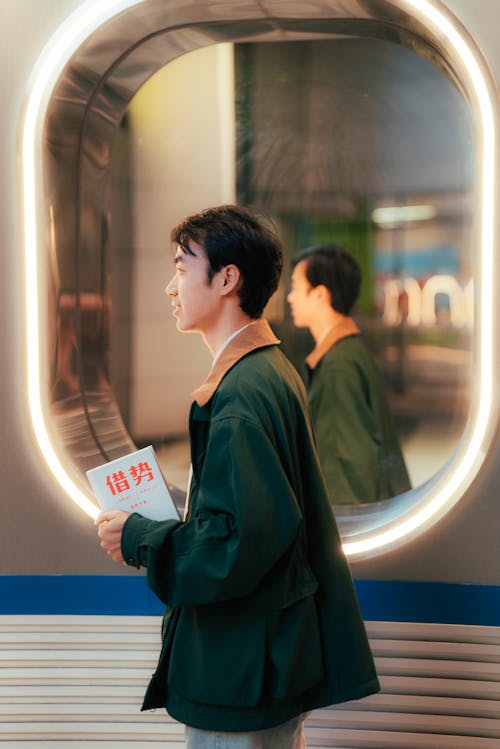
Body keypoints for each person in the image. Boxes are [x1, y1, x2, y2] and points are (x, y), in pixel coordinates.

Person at [96, 206, 379, 748]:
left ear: (227, 278)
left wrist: (137, 536)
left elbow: (235, 546)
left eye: (182, 268)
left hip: (240, 668)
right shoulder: (271, 370)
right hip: (268, 658)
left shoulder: (239, 396)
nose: (170, 287)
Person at [287, 242, 411, 506]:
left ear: (319, 295)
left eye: (295, 289)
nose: (290, 298)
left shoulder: (336, 366)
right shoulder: (350, 350)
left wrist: (344, 533)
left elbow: (342, 470)